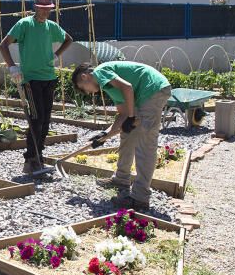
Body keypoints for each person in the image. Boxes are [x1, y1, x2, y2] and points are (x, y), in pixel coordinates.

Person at [71, 61, 172, 212]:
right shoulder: (107, 85)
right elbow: (123, 114)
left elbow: (127, 87)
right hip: (144, 94)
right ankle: (121, 179)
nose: (89, 92)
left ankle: (140, 197)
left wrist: (131, 117)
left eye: (84, 89)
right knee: (127, 133)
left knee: (145, 145)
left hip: (153, 90)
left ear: (85, 77)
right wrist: (105, 135)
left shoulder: (100, 72)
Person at [0, 0, 74, 175]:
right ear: (35, 7)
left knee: (46, 121)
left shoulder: (51, 26)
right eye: (42, 8)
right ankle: (30, 159)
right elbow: (3, 45)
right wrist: (12, 67)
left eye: (48, 8)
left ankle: (38, 156)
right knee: (36, 120)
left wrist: (56, 55)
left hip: (49, 78)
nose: (45, 12)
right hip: (30, 79)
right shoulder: (25, 24)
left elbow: (68, 39)